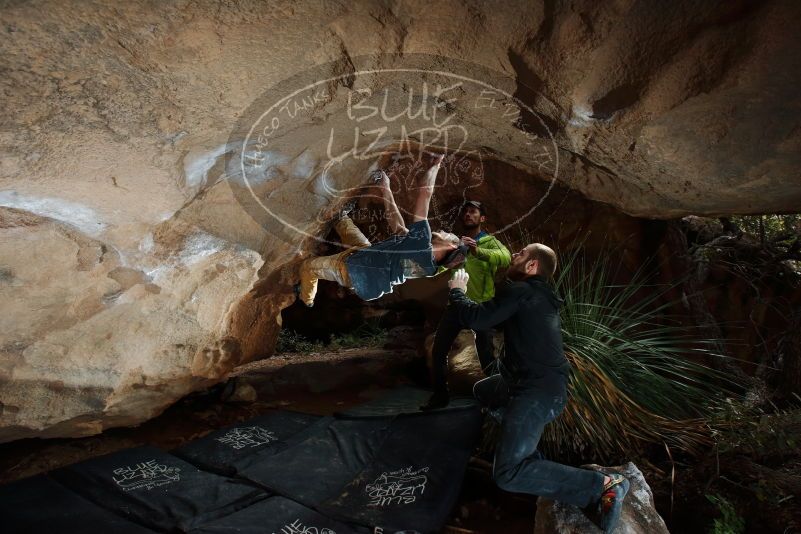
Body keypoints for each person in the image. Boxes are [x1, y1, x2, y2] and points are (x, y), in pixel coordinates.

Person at [444, 244, 630, 533]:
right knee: (484, 391)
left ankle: (605, 485)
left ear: (532, 266)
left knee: (507, 474)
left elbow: (477, 319)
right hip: (530, 387)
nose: (513, 256)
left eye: (519, 254)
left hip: (536, 394)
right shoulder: (539, 296)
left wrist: (457, 290)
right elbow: (492, 320)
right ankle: (527, 454)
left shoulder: (522, 292)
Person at [298, 153, 466, 307]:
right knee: (340, 219)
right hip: (369, 255)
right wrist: (386, 189)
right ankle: (340, 217)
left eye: (449, 235)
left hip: (355, 272)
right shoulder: (427, 264)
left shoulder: (422, 246)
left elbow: (425, 192)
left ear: (450, 247)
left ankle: (307, 299)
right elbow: (399, 228)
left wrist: (436, 166)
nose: (445, 231)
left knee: (309, 267)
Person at [421, 200, 511, 410]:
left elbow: (505, 258)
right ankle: (440, 397)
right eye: (466, 212)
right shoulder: (457, 243)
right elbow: (442, 267)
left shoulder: (490, 241)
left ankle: (498, 397)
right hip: (456, 306)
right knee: (439, 350)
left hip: (481, 306)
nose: (468, 214)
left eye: (473, 212)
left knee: (486, 354)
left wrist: (477, 250)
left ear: (482, 218)